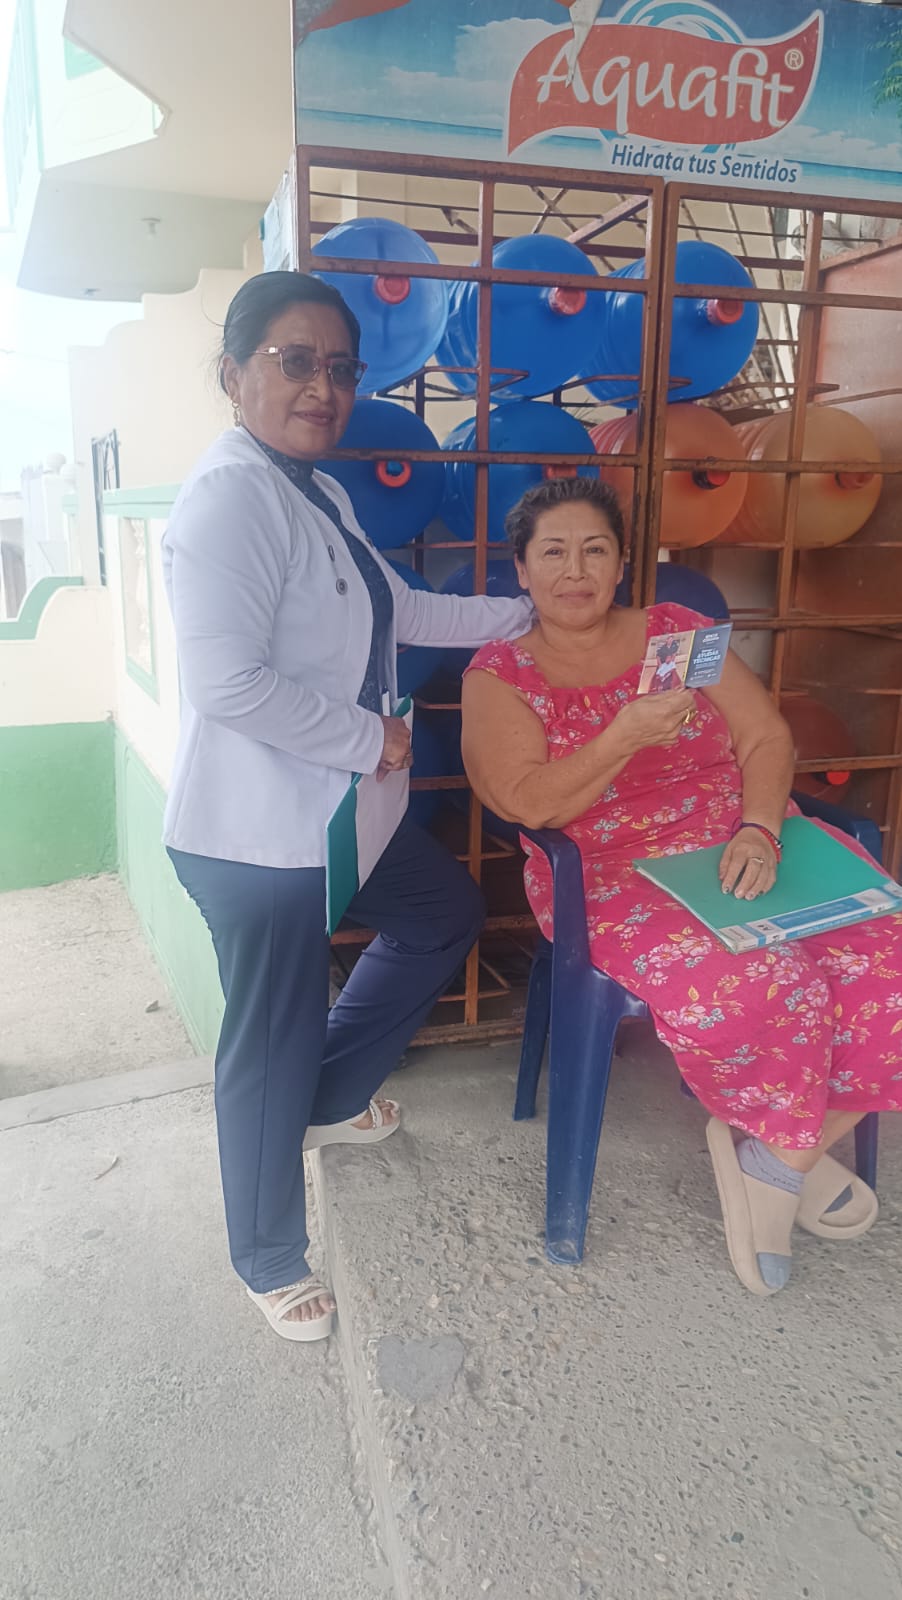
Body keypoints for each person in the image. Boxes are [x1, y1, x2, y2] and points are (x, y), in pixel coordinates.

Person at [162, 271, 535, 1342]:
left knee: (441, 914)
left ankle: (327, 1099)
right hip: (256, 837)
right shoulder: (229, 499)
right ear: (233, 373)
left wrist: (526, 617)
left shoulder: (316, 492)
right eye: (294, 362)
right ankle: (267, 1255)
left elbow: (398, 604)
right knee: (268, 1038)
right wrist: (370, 739)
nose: (321, 388)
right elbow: (226, 683)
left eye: (338, 367)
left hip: (335, 818)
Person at [461, 475, 902, 1298]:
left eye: (595, 549)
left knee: (887, 960)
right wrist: (622, 737)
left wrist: (760, 827)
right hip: (612, 872)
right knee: (768, 981)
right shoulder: (501, 674)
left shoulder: (676, 634)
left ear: (622, 561)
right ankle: (789, 1151)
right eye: (552, 553)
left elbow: (764, 735)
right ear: (521, 570)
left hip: (741, 840)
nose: (575, 570)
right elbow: (527, 802)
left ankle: (782, 1154)